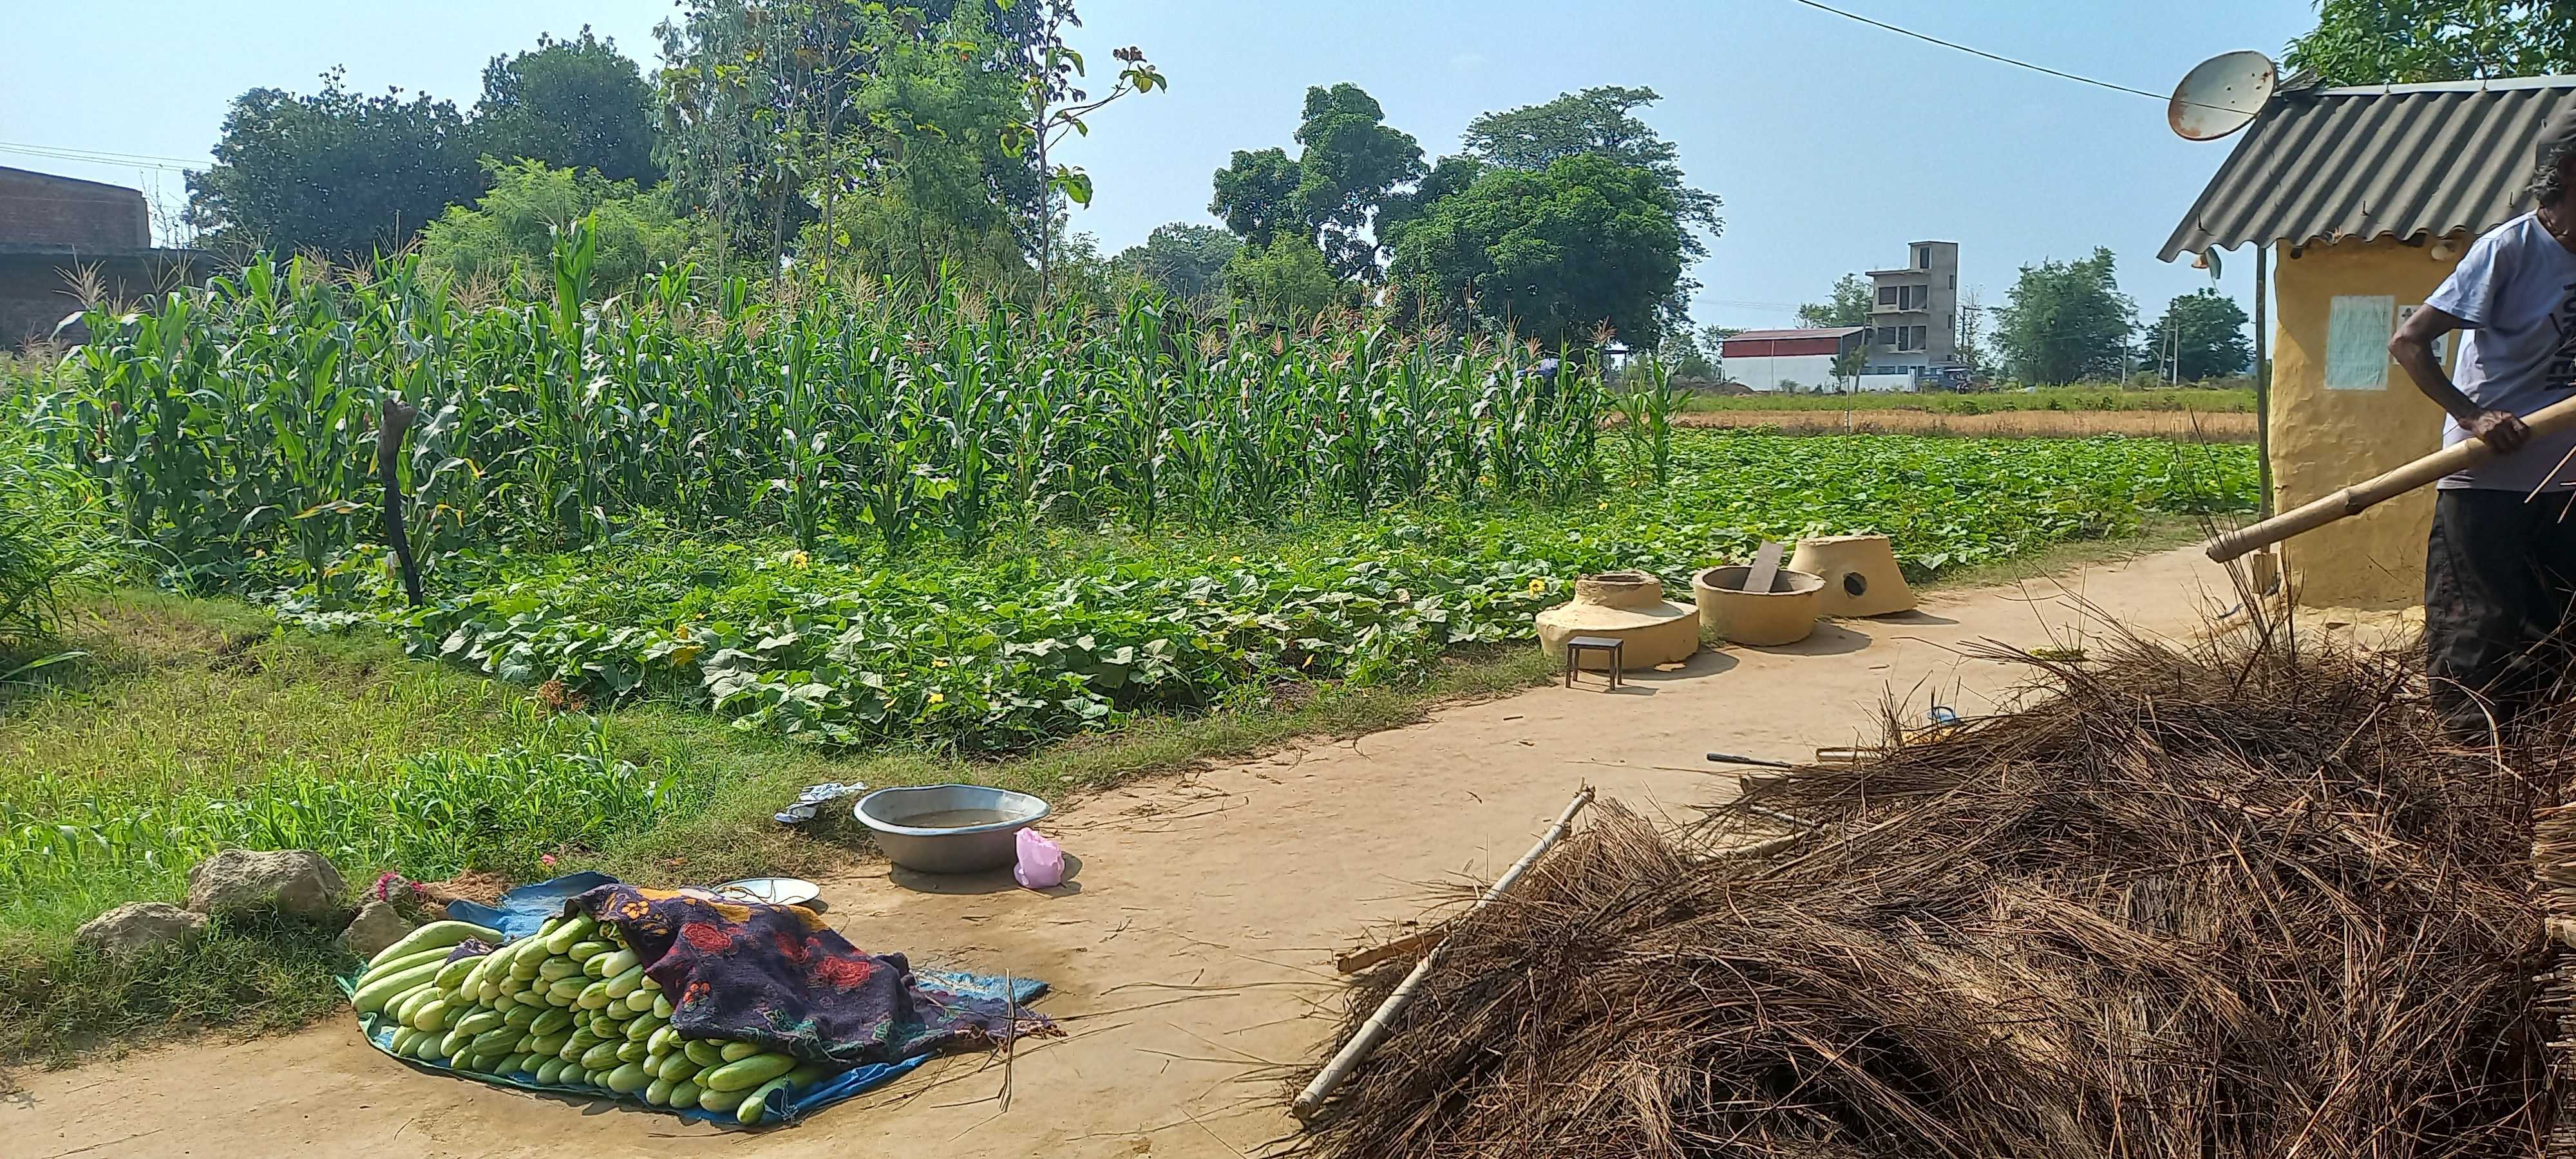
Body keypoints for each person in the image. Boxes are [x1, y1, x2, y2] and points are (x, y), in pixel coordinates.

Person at [2389, 105, 2576, 735]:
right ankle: (2469, 786)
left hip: (2567, 485)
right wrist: (2472, 416)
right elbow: (2409, 342)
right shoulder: (2511, 250)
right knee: (2477, 632)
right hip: (2488, 483)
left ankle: (2544, 784)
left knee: (2559, 634)